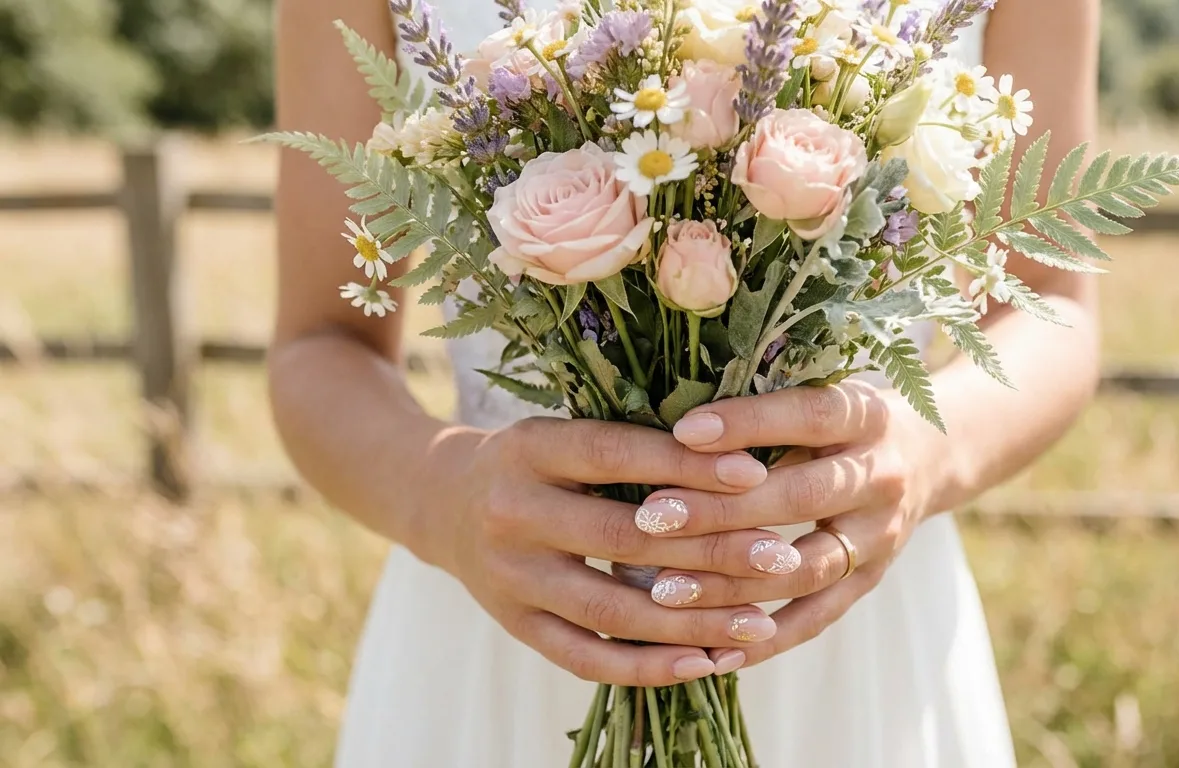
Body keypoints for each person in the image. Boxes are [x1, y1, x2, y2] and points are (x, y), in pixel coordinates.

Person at [270, 0, 1101, 764]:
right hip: (506, 607)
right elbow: (318, 344)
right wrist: (441, 496)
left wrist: (922, 454)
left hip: (844, 615)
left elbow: (1054, 304)